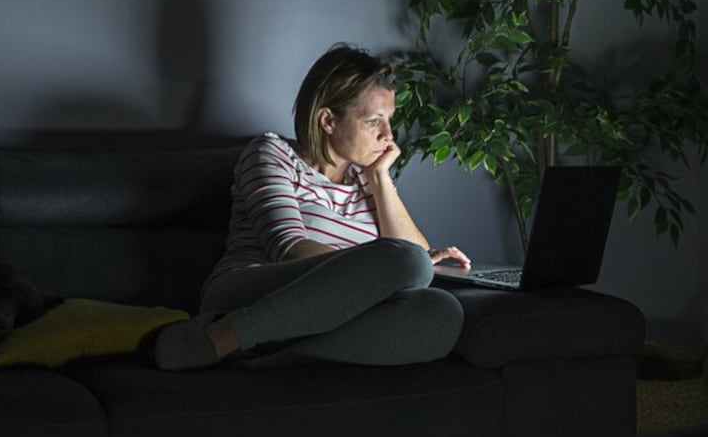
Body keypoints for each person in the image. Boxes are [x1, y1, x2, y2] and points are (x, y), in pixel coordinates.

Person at [154, 43, 472, 371]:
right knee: (407, 260)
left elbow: (414, 260)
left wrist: (379, 178)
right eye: (373, 122)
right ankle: (224, 335)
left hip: (323, 313)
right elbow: (289, 247)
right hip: (244, 294)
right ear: (328, 120)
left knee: (442, 311)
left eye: (389, 121)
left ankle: (268, 362)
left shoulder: (368, 181)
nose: (389, 136)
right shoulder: (271, 154)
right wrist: (373, 278)